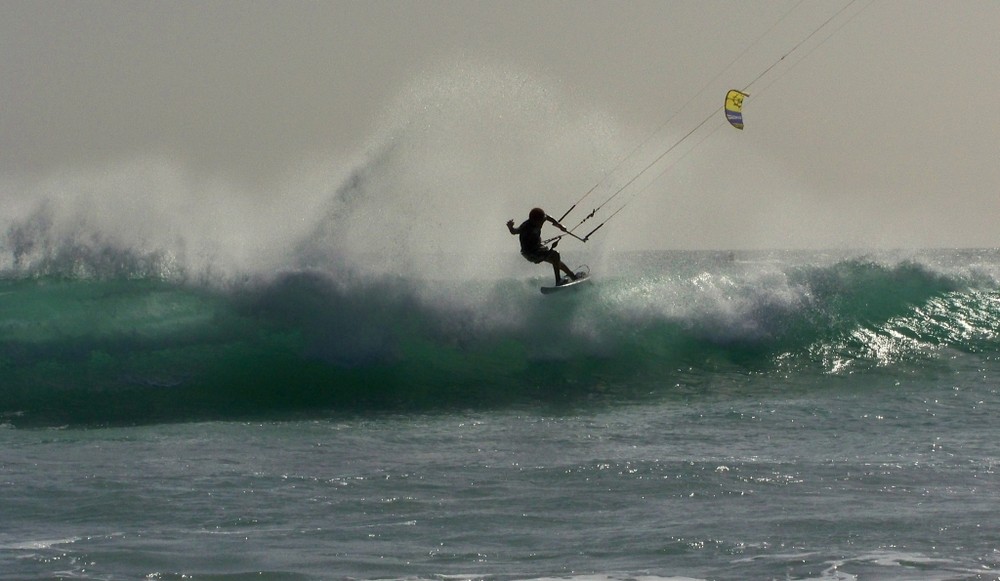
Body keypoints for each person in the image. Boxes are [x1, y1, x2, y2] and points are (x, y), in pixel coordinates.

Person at [506, 207, 578, 285]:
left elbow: (547, 217)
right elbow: (514, 231)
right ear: (533, 220)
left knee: (556, 261)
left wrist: (560, 226)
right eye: (539, 222)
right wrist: (510, 227)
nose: (541, 223)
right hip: (529, 252)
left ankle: (573, 276)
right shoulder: (526, 226)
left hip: (538, 248)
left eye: (542, 221)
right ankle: (558, 281)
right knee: (555, 255)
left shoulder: (541, 218)